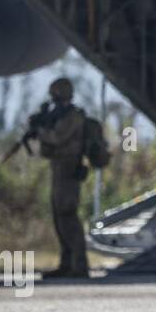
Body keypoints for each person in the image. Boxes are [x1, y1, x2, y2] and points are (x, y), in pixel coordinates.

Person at [36, 77, 91, 279]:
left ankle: (79, 265)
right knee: (59, 218)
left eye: (55, 94)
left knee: (68, 215)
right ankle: (67, 264)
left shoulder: (73, 116)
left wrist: (41, 131)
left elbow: (58, 138)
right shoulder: (59, 115)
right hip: (58, 169)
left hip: (69, 170)